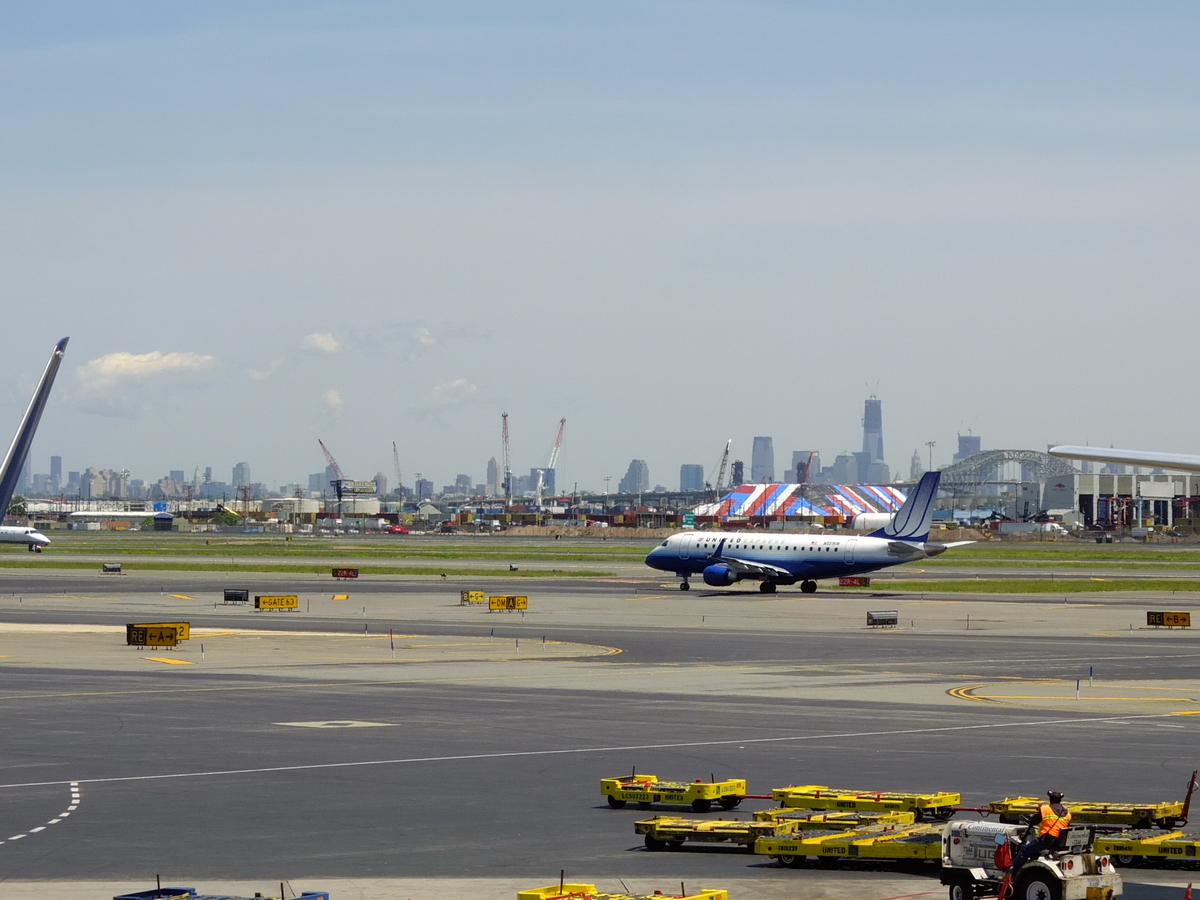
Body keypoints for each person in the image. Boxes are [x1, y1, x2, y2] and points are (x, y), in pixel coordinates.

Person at [1010, 790, 1072, 872]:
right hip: (1059, 841)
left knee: (1025, 850)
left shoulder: (1045, 809)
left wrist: (1037, 812)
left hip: (1046, 841)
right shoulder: (1068, 814)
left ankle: (1012, 871)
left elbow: (1033, 820)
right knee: (1034, 851)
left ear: (1050, 799)